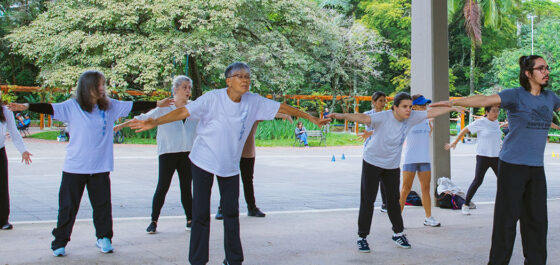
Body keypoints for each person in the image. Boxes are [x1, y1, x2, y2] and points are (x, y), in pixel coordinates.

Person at [127, 62, 327, 265]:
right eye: (240, 76)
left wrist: (311, 118)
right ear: (228, 80)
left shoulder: (253, 101)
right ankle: (197, 260)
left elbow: (282, 107)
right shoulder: (213, 98)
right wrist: (154, 121)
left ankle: (233, 259)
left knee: (231, 213)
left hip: (229, 164)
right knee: (200, 214)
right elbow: (183, 112)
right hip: (203, 160)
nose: (245, 80)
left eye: (248, 76)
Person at [430, 55, 560, 264]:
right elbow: (485, 100)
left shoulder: (549, 97)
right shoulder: (515, 95)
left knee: (537, 220)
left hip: (535, 168)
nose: (546, 72)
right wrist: (454, 102)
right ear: (528, 73)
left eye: (547, 68)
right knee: (506, 219)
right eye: (541, 68)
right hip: (512, 166)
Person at [9, 70, 159, 256]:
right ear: (88, 87)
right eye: (100, 84)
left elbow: (136, 105)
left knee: (102, 205)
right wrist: (25, 106)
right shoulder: (72, 106)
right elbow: (49, 107)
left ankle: (104, 237)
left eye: (103, 84)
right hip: (75, 167)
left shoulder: (110, 106)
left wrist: (159, 103)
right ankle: (60, 242)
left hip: (100, 167)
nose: (103, 88)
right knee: (68, 207)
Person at [327, 92, 463, 253]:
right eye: (404, 107)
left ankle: (398, 233)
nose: (408, 110)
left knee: (394, 200)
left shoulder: (411, 117)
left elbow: (431, 112)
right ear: (395, 107)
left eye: (410, 107)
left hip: (391, 166)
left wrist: (452, 108)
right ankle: (362, 237)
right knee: (368, 200)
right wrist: (341, 115)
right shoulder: (383, 117)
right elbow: (363, 118)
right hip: (372, 162)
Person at [120, 76, 198, 234]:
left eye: (189, 88)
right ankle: (153, 221)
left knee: (186, 188)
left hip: (187, 153)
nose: (188, 91)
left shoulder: (194, 108)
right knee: (162, 187)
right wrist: (120, 126)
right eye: (184, 87)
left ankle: (190, 219)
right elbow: (143, 118)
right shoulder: (164, 107)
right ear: (175, 89)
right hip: (168, 152)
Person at [446, 105, 504, 215]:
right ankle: (466, 204)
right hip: (483, 157)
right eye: (494, 111)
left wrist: (503, 125)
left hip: (496, 157)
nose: (496, 113)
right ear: (487, 112)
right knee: (478, 181)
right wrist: (454, 142)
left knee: (503, 181)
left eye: (498, 111)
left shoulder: (496, 123)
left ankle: (505, 205)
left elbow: (496, 132)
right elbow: (464, 130)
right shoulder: (480, 122)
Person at [398, 95, 441, 227]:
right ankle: (397, 219)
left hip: (424, 159)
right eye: (422, 105)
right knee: (405, 189)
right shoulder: (407, 119)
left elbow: (427, 134)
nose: (425, 107)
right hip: (410, 159)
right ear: (414, 106)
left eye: (425, 105)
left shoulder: (428, 120)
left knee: (426, 189)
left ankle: (428, 217)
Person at [0, 94, 33, 231]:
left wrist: (23, 150)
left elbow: (14, 132)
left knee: (1, 186)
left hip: (0, 152)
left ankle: (3, 220)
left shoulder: (5, 111)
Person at [363, 91, 391, 213]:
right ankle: (368, 205)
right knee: (370, 181)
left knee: (385, 179)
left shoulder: (388, 115)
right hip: (370, 151)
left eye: (384, 100)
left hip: (384, 150)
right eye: (380, 100)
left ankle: (386, 203)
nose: (383, 103)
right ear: (373, 102)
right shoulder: (367, 114)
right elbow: (370, 124)